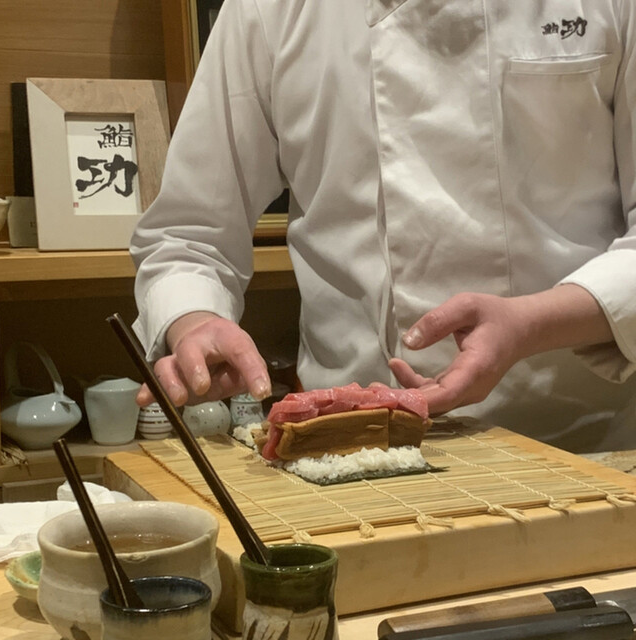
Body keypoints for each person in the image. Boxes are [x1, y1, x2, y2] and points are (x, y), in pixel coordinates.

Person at [130, 0, 636, 453]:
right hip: (347, 445)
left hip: (585, 445)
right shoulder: (271, 10)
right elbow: (189, 234)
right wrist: (194, 320)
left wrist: (533, 323)